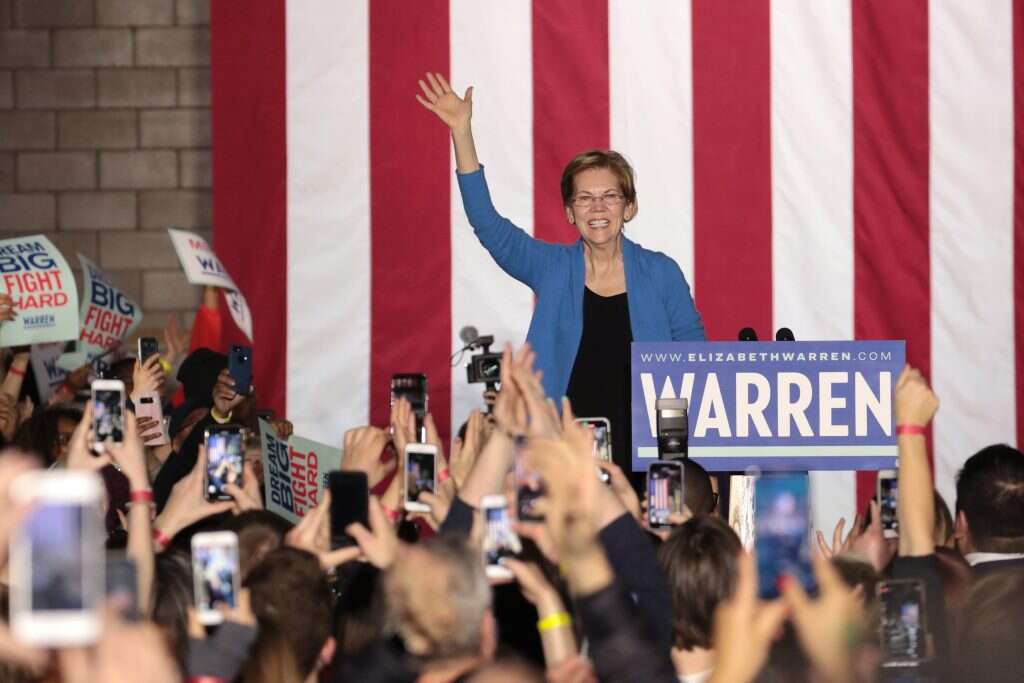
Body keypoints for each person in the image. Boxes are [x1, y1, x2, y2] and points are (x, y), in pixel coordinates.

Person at [417, 72, 705, 480]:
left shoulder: (662, 273)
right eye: (584, 199)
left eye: (610, 196)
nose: (597, 207)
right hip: (560, 459)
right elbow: (488, 225)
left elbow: (696, 360)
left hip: (650, 457)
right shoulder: (551, 268)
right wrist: (462, 133)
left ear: (629, 207)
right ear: (570, 213)